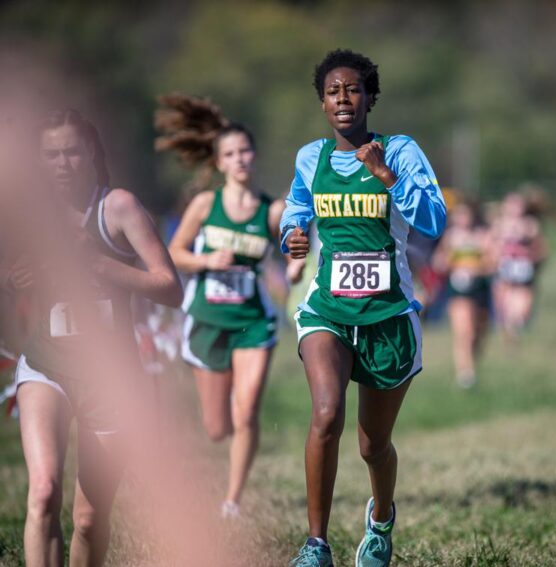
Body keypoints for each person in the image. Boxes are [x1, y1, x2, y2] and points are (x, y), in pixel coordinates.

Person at [281, 49, 445, 567]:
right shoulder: (311, 158)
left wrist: (386, 177)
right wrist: (293, 234)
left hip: (387, 315)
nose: (343, 98)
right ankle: (316, 545)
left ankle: (380, 522)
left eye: (353, 89)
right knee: (326, 414)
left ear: (371, 97)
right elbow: (295, 210)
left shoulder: (398, 151)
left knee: (373, 447)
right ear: (323, 103)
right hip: (328, 309)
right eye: (333, 91)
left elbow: (435, 220)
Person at [11, 108, 182, 567]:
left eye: (71, 151)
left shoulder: (118, 207)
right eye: (51, 155)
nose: (62, 163)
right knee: (43, 492)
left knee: (88, 518)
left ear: (90, 152)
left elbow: (171, 288)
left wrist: (103, 266)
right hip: (46, 365)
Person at [157, 94, 303, 518]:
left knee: (247, 408)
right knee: (216, 427)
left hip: (253, 322)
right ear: (219, 162)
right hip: (207, 319)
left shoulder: (272, 210)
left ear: (253, 156)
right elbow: (174, 252)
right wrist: (206, 260)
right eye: (230, 154)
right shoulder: (206, 205)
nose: (240, 159)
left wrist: (294, 269)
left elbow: (293, 250)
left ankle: (232, 501)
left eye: (245, 151)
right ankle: (223, 475)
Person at [432, 199, 492, 387]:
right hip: (458, 291)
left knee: (478, 333)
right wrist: (451, 263)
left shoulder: (482, 236)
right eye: (458, 214)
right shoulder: (450, 237)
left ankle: (471, 361)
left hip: (479, 290)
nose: (462, 218)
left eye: (465, 214)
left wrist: (475, 267)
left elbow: (494, 262)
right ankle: (465, 374)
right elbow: (438, 262)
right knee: (463, 332)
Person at [491, 191, 548, 341]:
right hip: (505, 268)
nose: (514, 208)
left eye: (517, 205)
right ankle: (508, 328)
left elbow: (541, 248)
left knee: (523, 309)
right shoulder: (499, 224)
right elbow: (490, 246)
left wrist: (533, 258)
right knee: (504, 304)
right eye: (510, 205)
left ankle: (515, 325)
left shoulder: (531, 225)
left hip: (524, 268)